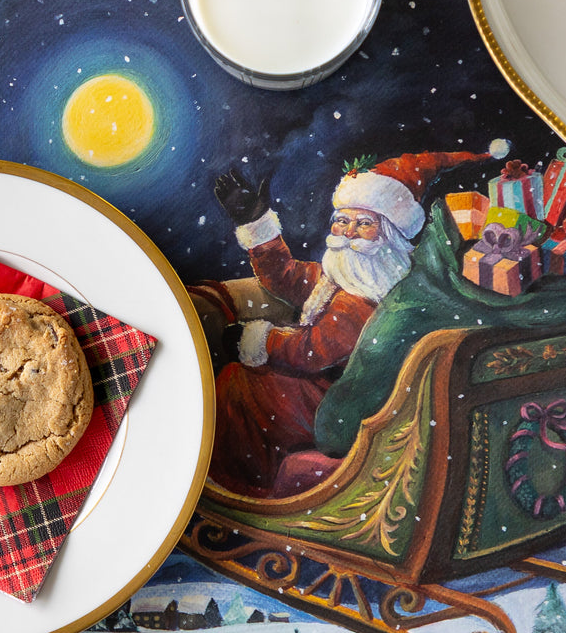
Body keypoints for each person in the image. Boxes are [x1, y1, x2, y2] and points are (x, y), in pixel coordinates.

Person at [209, 141, 508, 496]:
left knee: (242, 385)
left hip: (339, 399)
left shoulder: (368, 299)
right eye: (342, 222)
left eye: (364, 224)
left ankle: (243, 485)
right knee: (244, 381)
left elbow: (312, 351)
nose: (348, 232)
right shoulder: (342, 276)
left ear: (391, 234)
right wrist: (255, 223)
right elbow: (286, 276)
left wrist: (256, 339)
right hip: (319, 383)